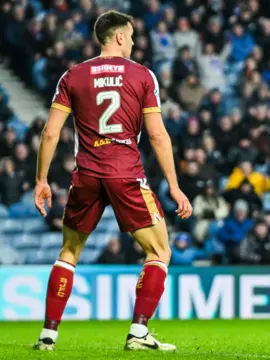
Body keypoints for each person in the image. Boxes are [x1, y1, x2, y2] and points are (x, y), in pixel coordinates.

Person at [33, 10, 192, 352]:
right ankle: (138, 332)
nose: (133, 42)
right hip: (125, 173)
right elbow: (158, 136)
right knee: (159, 251)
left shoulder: (72, 76)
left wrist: (41, 179)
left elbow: (50, 133)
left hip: (86, 174)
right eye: (131, 36)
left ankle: (48, 335)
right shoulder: (142, 76)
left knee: (69, 252)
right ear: (119, 37)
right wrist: (175, 186)